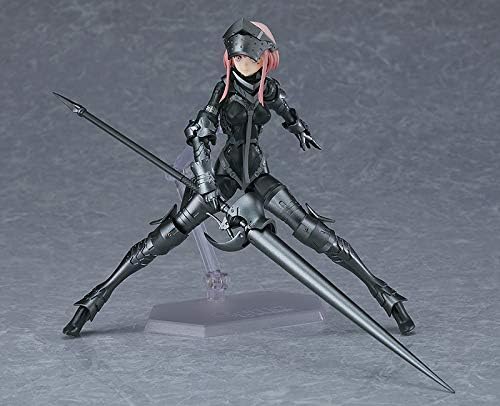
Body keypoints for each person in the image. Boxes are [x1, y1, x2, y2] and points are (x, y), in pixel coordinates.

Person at [63, 18, 414, 337]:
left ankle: (384, 294)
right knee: (167, 235)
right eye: (237, 57)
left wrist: (299, 129)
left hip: (257, 172)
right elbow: (202, 133)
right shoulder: (224, 90)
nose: (243, 62)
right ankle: (96, 298)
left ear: (265, 57)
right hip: (226, 173)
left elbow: (285, 111)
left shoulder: (269, 89)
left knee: (313, 230)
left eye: (249, 57)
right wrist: (205, 183)